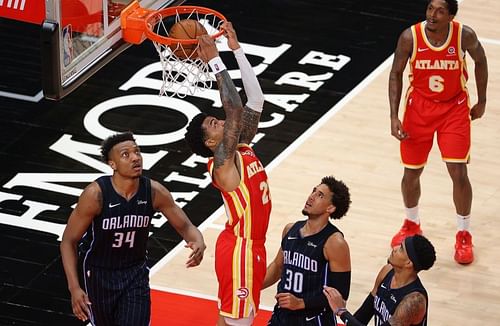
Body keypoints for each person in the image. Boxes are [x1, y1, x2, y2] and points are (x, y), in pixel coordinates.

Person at [60, 132, 206, 325]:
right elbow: (69, 241)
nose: (136, 157)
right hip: (99, 274)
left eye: (137, 152)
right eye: (125, 154)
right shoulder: (96, 195)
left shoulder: (154, 191)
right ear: (112, 164)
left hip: (134, 273)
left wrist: (198, 240)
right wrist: (74, 288)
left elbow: (186, 226)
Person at [388, 0, 488, 264]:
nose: (433, 15)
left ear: (451, 16)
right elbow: (396, 73)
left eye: (440, 10)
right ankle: (411, 223)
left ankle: (464, 234)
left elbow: (481, 60)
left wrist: (482, 100)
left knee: (458, 172)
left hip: (453, 109)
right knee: (411, 172)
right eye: (430, 8)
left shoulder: (463, 34)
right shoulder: (410, 36)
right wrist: (393, 115)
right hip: (418, 109)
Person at [184, 22, 270, 326]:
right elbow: (233, 109)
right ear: (210, 143)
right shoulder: (222, 163)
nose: (220, 121)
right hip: (240, 249)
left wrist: (237, 50)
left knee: (229, 320)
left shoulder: (240, 148)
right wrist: (214, 61)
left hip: (250, 245)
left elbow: (255, 101)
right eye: (213, 124)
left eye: (216, 119)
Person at [262, 176, 352, 325]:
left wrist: (300, 303)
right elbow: (278, 267)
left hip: (314, 320)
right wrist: (251, 286)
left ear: (330, 208)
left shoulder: (335, 242)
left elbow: (341, 295)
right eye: (314, 191)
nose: (311, 197)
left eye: (320, 195)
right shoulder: (290, 229)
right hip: (282, 316)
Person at [323, 234, 436, 326]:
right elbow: (365, 313)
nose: (395, 248)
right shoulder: (387, 271)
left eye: (401, 248)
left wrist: (341, 311)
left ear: (408, 263)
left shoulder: (413, 301)